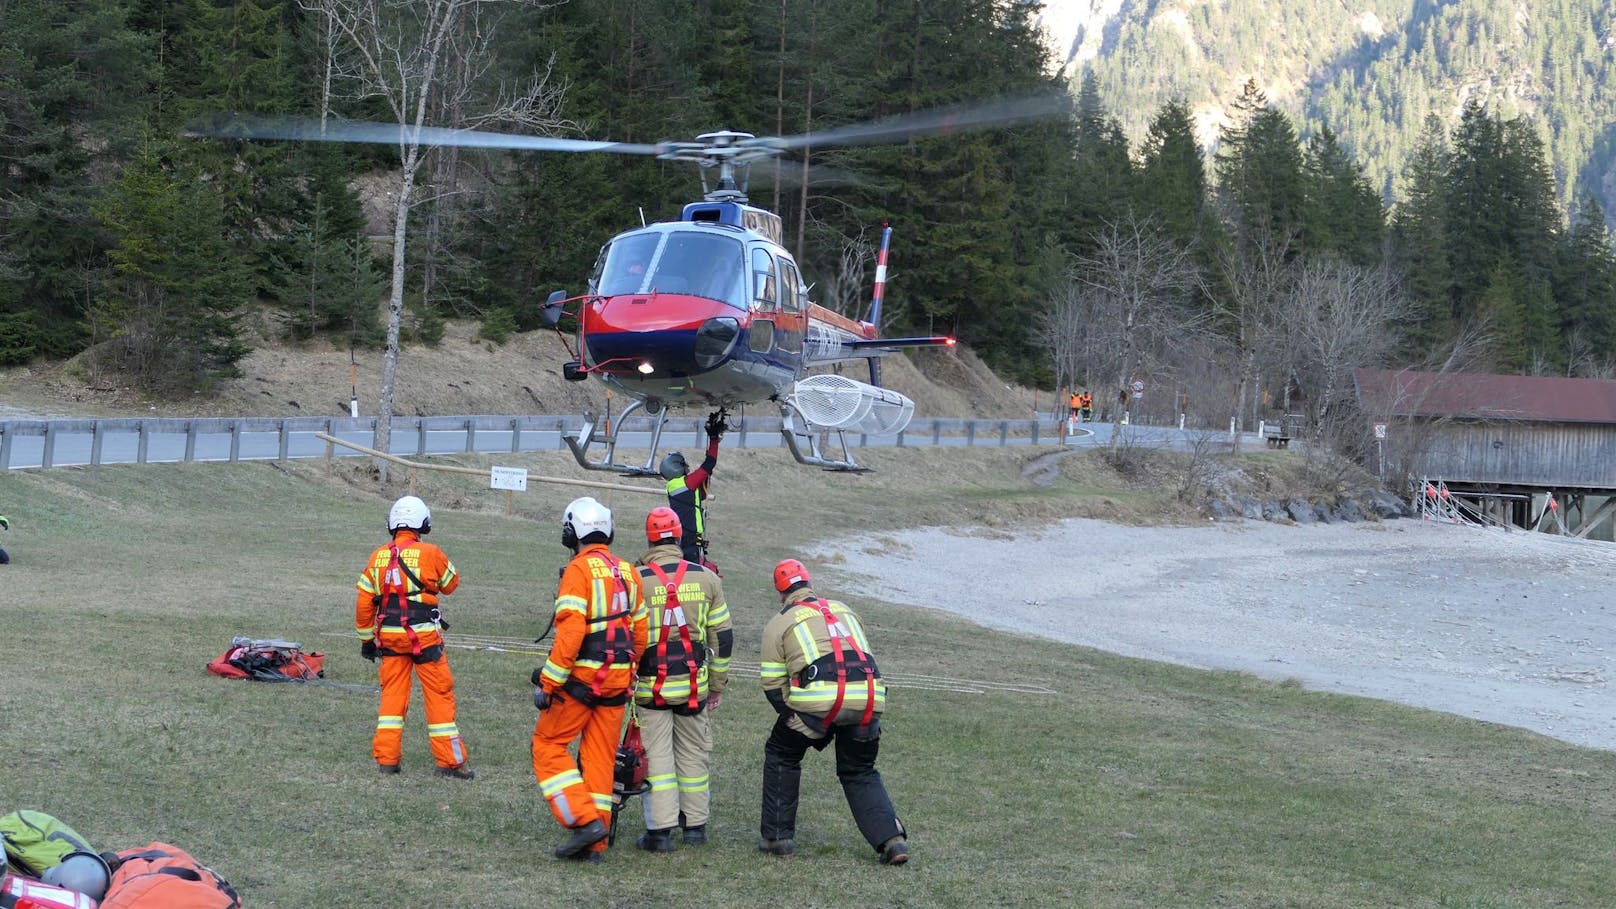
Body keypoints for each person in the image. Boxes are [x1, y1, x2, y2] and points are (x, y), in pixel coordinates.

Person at [758, 558, 908, 866]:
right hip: (868, 698)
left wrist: (793, 717)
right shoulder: (845, 609)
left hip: (819, 699)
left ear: (780, 592)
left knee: (782, 753)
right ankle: (892, 842)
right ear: (809, 584)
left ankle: (778, 838)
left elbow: (773, 685)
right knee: (860, 770)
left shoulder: (779, 622)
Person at [531, 496, 649, 864]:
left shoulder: (577, 572)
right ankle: (594, 846)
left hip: (582, 678)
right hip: (618, 680)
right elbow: (640, 631)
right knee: (599, 760)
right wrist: (628, 670)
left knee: (547, 747)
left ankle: (583, 822)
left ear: (572, 532)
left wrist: (548, 683)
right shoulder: (629, 571)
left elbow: (570, 636)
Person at [632, 506, 733, 852]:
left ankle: (660, 834)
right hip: (694, 687)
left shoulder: (636, 579)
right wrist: (717, 685)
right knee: (693, 757)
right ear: (678, 538)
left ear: (649, 539)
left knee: (656, 758)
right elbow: (723, 638)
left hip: (649, 688)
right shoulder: (707, 578)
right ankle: (695, 827)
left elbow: (625, 635)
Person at [354, 495, 472, 779]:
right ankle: (449, 763)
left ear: (392, 524)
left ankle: (387, 761)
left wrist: (366, 640)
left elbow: (363, 602)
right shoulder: (431, 552)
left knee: (392, 699)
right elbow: (451, 584)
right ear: (423, 524)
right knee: (439, 696)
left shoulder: (377, 556)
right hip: (425, 640)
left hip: (391, 639)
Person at [659, 411, 726, 565]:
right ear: (677, 468)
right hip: (690, 542)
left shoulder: (676, 485)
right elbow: (709, 464)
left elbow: (701, 495)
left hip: (684, 539)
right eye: (685, 464)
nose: (688, 467)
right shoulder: (687, 483)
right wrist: (714, 440)